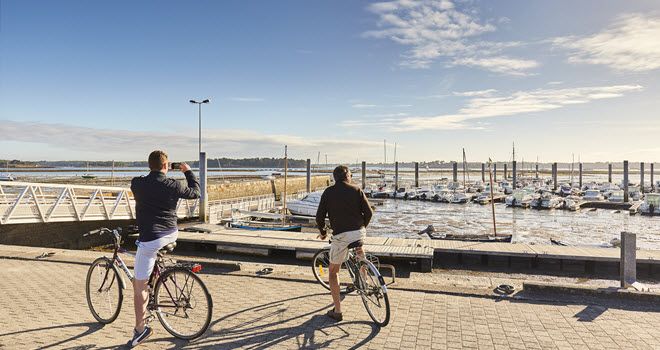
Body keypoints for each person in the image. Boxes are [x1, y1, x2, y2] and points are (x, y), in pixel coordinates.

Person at [128, 150, 200, 347]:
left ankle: (139, 331)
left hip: (151, 238)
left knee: (139, 286)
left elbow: (142, 190)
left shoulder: (138, 183)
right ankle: (155, 282)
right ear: (167, 166)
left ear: (149, 165)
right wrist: (188, 172)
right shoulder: (173, 185)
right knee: (150, 264)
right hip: (171, 233)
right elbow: (195, 193)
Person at [315, 165, 373, 321]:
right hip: (359, 231)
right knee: (360, 252)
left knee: (333, 272)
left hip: (341, 236)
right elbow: (369, 213)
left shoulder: (329, 192)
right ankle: (364, 283)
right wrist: (361, 228)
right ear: (348, 176)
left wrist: (322, 232)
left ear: (335, 177)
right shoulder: (356, 189)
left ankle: (338, 312)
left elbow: (319, 217)